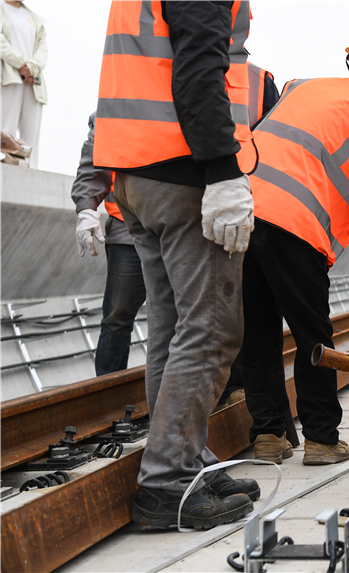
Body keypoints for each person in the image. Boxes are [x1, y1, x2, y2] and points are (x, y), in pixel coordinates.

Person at [93, 1, 260, 530]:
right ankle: (166, 483)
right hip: (180, 169)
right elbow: (197, 72)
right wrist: (222, 170)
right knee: (209, 331)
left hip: (135, 175)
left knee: (172, 329)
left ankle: (187, 463)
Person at [239, 15, 349, 466]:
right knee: (312, 332)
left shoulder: (301, 88)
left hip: (240, 211)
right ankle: (320, 438)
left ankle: (269, 436)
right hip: (294, 224)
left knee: (258, 332)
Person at [71, 113, 146, 376]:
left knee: (180, 320)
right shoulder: (112, 104)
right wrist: (86, 207)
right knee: (116, 319)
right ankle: (109, 398)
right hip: (128, 230)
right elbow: (95, 160)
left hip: (181, 229)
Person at [1, 0, 47, 168]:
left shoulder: (34, 18)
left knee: (31, 137)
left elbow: (42, 50)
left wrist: (31, 68)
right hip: (9, 79)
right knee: (6, 130)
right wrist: (22, 65)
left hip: (33, 83)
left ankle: (31, 171)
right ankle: (5, 167)